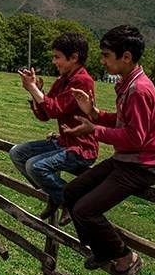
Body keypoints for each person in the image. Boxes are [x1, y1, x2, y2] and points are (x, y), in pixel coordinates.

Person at [62, 25, 155, 275]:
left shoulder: (139, 90)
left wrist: (93, 130)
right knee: (72, 192)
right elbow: (122, 122)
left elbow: (136, 138)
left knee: (85, 209)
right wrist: (94, 113)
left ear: (126, 57)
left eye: (107, 55)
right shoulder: (128, 84)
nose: (103, 61)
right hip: (125, 160)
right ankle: (102, 250)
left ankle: (126, 258)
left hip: (140, 166)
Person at [10, 33, 98, 226]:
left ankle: (68, 200)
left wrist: (34, 89)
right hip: (64, 142)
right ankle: (56, 193)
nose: (54, 61)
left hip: (81, 148)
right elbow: (45, 115)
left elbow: (55, 109)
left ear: (73, 58)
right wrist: (35, 93)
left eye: (57, 57)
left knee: (35, 165)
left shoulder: (82, 81)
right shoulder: (62, 80)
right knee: (17, 153)